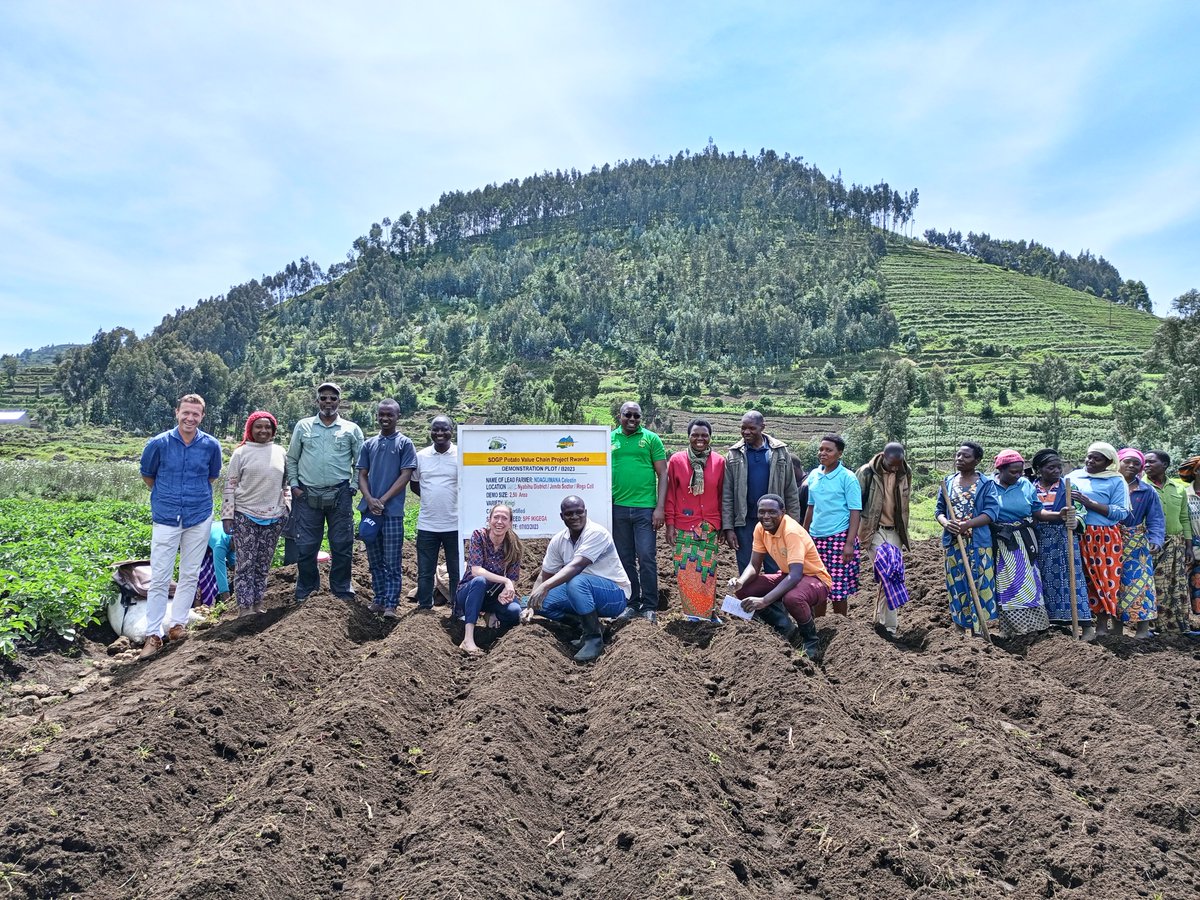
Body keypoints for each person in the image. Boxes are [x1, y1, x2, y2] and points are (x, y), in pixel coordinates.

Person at [138, 393, 223, 658]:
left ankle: (178, 625)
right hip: (166, 516)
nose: (190, 418)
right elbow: (148, 476)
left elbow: (211, 476)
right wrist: (170, 495)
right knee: (160, 576)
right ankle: (154, 634)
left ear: (202, 416)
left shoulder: (211, 445)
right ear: (177, 412)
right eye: (186, 412)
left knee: (190, 573)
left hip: (199, 515)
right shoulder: (158, 443)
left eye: (195, 414)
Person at [727, 494, 832, 660]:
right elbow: (754, 565)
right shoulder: (760, 529)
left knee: (792, 598)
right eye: (762, 512)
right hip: (787, 575)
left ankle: (810, 640)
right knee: (744, 590)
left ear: (783, 512)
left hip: (815, 579)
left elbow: (796, 575)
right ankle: (784, 626)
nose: (766, 516)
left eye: (772, 512)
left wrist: (764, 601)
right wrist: (740, 581)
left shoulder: (791, 531)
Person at [528, 496, 632, 663]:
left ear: (586, 512)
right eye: (569, 514)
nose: (575, 517)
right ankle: (586, 625)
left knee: (576, 581)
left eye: (579, 512)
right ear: (562, 516)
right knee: (534, 602)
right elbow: (545, 574)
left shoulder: (597, 533)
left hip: (613, 595)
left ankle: (593, 638)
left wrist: (546, 586)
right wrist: (532, 602)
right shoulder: (559, 540)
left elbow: (576, 567)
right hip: (580, 590)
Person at [286, 382, 364, 602]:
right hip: (307, 494)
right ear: (317, 401)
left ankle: (341, 588)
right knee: (306, 545)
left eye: (333, 398)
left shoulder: (351, 429)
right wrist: (294, 486)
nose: (328, 402)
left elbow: (360, 463)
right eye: (323, 398)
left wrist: (353, 486)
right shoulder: (303, 426)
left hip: (340, 494)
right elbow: (292, 458)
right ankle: (307, 589)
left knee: (342, 544)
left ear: (339, 401)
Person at [221, 410, 291, 617]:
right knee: (245, 563)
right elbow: (230, 485)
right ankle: (245, 608)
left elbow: (286, 483)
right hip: (245, 514)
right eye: (258, 426)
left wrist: (287, 507)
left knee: (263, 563)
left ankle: (258, 604)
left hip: (274, 516)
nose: (263, 430)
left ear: (273, 430)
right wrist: (227, 515)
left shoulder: (280, 452)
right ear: (250, 429)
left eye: (268, 427)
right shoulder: (241, 453)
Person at [722, 410, 802, 576]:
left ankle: (775, 595)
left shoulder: (780, 452)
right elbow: (727, 494)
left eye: (751, 428)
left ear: (762, 427)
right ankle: (747, 594)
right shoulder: (733, 454)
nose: (746, 432)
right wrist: (729, 527)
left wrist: (793, 524)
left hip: (775, 521)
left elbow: (791, 491)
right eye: (743, 428)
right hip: (744, 521)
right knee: (746, 568)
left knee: (776, 568)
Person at [356, 399, 417, 616]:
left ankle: (391, 604)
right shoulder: (368, 444)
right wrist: (369, 499)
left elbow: (405, 476)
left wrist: (382, 500)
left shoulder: (405, 444)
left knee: (392, 561)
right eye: (381, 414)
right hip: (370, 512)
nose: (385, 418)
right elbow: (362, 474)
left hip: (392, 513)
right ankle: (378, 599)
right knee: (374, 560)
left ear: (398, 416)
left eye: (389, 415)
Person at [935, 442, 1000, 637]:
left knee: (979, 586)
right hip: (954, 544)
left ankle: (979, 632)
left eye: (966, 456)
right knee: (957, 586)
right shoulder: (948, 482)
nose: (960, 459)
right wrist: (946, 523)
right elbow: (939, 510)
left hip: (979, 544)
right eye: (958, 455)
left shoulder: (986, 484)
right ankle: (960, 631)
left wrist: (967, 524)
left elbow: (991, 513)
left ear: (977, 460)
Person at [610, 401, 667, 623]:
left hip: (645, 508)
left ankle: (649, 605)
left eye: (637, 416)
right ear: (620, 416)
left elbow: (663, 474)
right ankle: (631, 603)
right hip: (618, 508)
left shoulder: (651, 439)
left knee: (646, 556)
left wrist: (659, 508)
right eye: (628, 415)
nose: (632, 419)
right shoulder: (609, 439)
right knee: (624, 558)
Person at [663, 418, 726, 619]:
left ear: (710, 437)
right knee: (687, 572)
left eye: (704, 435)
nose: (700, 439)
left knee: (707, 572)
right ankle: (692, 615)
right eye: (695, 435)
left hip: (709, 526)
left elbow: (722, 495)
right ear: (688, 437)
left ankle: (708, 613)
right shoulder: (677, 460)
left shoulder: (719, 462)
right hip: (684, 525)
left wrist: (723, 525)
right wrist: (670, 524)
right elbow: (670, 494)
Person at [1066, 442, 1130, 636]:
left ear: (1108, 462)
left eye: (1097, 458)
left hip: (1103, 537)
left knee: (1103, 579)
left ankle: (1102, 625)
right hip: (1077, 533)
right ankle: (1081, 624)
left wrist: (1089, 503)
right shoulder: (1072, 476)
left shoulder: (1116, 480)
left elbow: (1121, 512)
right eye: (1089, 456)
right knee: (1078, 579)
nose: (1090, 461)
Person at [1029, 449, 1093, 640]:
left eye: (1059, 467)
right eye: (1051, 467)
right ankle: (1047, 625)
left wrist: (1076, 520)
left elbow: (1081, 511)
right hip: (1039, 539)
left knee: (1072, 579)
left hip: (1064, 538)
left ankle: (1086, 628)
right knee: (1042, 580)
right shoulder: (1030, 488)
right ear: (1039, 469)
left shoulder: (1068, 487)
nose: (1057, 471)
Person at [989, 449, 1050, 636]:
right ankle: (1012, 630)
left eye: (1020, 471)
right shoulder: (988, 485)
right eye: (1013, 472)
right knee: (1007, 583)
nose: (1018, 475)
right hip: (1001, 540)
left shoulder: (1025, 485)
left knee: (1029, 581)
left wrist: (1059, 515)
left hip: (1024, 539)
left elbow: (1037, 511)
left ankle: (1034, 627)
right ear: (1000, 469)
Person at [857, 442, 912, 636]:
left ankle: (883, 624)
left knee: (893, 575)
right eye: (891, 465)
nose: (895, 468)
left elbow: (904, 502)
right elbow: (856, 503)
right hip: (874, 530)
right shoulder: (866, 473)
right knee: (886, 574)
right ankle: (887, 625)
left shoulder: (905, 472)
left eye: (898, 465)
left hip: (895, 532)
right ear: (883, 457)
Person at [803, 433, 862, 616]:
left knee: (837, 589)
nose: (823, 453)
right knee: (817, 585)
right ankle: (819, 624)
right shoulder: (814, 475)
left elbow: (855, 512)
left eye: (828, 450)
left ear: (840, 453)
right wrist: (804, 536)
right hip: (816, 538)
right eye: (821, 449)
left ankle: (841, 626)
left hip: (838, 538)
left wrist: (849, 543)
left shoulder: (848, 477)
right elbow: (811, 507)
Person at [456, 503, 524, 656]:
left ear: (510, 523)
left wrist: (507, 589)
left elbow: (512, 577)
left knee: (515, 611)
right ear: (489, 520)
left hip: (494, 595)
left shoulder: (514, 545)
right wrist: (505, 581)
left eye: (504, 518)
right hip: (469, 593)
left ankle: (495, 634)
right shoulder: (479, 536)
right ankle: (468, 639)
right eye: (496, 517)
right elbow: (476, 570)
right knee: (480, 581)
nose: (499, 522)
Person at [411, 415, 460, 608]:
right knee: (425, 571)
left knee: (456, 571)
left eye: (444, 429)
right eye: (435, 429)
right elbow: (414, 484)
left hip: (455, 524)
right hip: (427, 524)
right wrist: (431, 498)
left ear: (451, 431)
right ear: (430, 432)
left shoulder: (461, 455)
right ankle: (424, 607)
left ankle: (457, 607)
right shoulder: (421, 456)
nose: (439, 433)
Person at [1116, 448, 1165, 638]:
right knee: (1115, 583)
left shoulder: (1146, 490)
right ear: (1118, 463)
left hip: (1137, 542)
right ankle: (1116, 630)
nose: (1131, 466)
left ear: (1141, 467)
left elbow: (1156, 518)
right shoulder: (1110, 485)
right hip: (1111, 540)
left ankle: (1142, 631)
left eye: (1136, 463)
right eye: (1127, 461)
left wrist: (1156, 539)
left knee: (1142, 583)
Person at [1144, 449, 1194, 634]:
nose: (1146, 465)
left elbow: (1184, 518)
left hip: (1176, 543)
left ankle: (1177, 626)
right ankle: (1150, 626)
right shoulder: (1141, 486)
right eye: (1145, 462)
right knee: (1152, 584)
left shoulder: (1178, 488)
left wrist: (1188, 547)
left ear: (1164, 465)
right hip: (1151, 543)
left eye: (1151, 462)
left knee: (1176, 585)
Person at [1179, 455, 1200, 627]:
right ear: (1196, 471)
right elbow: (1184, 521)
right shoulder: (1185, 494)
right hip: (1193, 549)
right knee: (1193, 589)